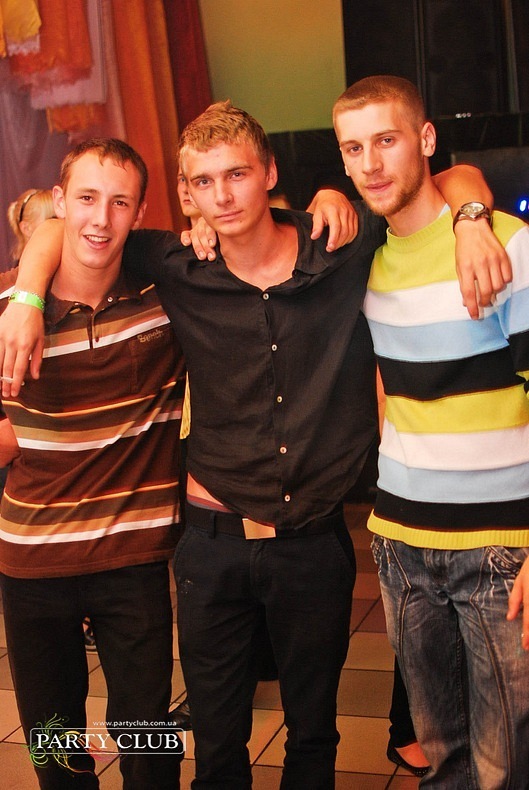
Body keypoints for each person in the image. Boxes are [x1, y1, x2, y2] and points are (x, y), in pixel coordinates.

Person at [0, 106, 508, 789]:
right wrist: (27, 299)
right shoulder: (149, 271)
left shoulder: (315, 252)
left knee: (256, 735)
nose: (222, 196)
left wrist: (469, 218)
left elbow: (443, 179)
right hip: (141, 551)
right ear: (186, 195)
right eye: (203, 182)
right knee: (145, 740)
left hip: (245, 547)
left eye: (236, 175)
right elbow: (58, 222)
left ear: (268, 173)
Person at [333, 75, 529, 788]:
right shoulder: (365, 264)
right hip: (401, 545)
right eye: (353, 148)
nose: (370, 164)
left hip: (501, 548)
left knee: (505, 764)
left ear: (424, 139)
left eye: (386, 140)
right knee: (441, 758)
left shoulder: (504, 244)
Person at [0, 139, 187, 789]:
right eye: (85, 198)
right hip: (33, 562)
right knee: (55, 748)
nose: (100, 219)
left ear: (140, 213)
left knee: (148, 743)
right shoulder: (9, 311)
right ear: (58, 202)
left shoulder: (165, 299)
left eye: (119, 202)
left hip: (131, 560)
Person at [6, 189, 55, 267]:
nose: (60, 224)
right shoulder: (21, 272)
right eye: (52, 219)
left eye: (63, 218)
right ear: (26, 229)